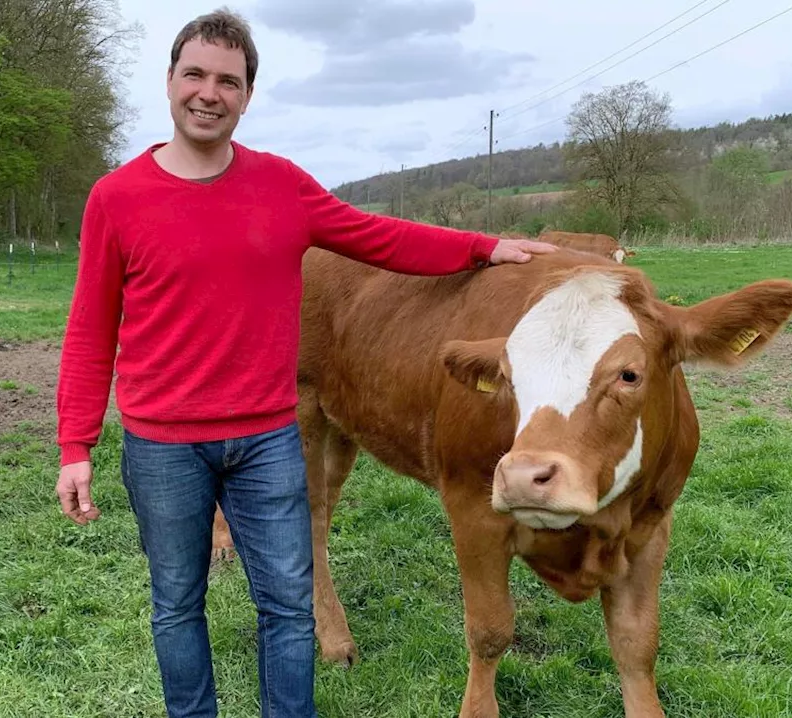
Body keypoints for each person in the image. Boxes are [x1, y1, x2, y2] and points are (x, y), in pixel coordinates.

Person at [54, 7, 556, 717]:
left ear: (246, 96)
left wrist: (480, 248)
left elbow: (379, 238)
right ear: (169, 82)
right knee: (176, 604)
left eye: (227, 81)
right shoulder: (117, 198)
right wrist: (75, 444)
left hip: (266, 440)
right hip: (163, 443)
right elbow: (89, 328)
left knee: (288, 607)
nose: (209, 92)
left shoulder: (281, 186)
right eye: (194, 74)